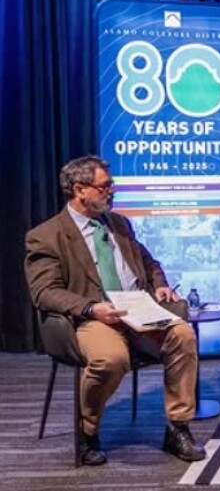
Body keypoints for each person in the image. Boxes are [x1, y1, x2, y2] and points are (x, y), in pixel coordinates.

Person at [24, 156, 205, 466]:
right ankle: (88, 430)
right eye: (105, 186)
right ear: (80, 190)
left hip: (139, 310)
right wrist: (92, 307)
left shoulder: (119, 224)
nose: (112, 191)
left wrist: (158, 284)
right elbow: (45, 292)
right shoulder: (46, 235)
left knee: (183, 335)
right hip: (92, 316)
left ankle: (178, 428)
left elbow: (149, 263)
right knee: (111, 359)